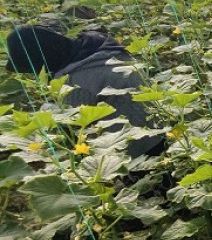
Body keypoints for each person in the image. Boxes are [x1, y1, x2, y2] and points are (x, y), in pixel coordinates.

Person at [5, 24, 164, 159]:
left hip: (136, 148)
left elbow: (72, 120)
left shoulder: (73, 81)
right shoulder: (99, 44)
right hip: (163, 127)